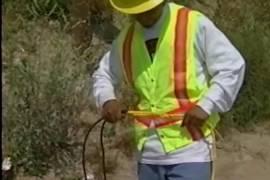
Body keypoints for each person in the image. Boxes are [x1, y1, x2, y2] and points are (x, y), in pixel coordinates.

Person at [92, 0, 245, 179]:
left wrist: (207, 105)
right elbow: (103, 75)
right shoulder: (126, 39)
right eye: (137, 11)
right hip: (148, 153)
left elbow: (232, 67)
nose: (143, 15)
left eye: (148, 9)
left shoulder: (193, 24)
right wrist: (107, 99)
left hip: (191, 149)